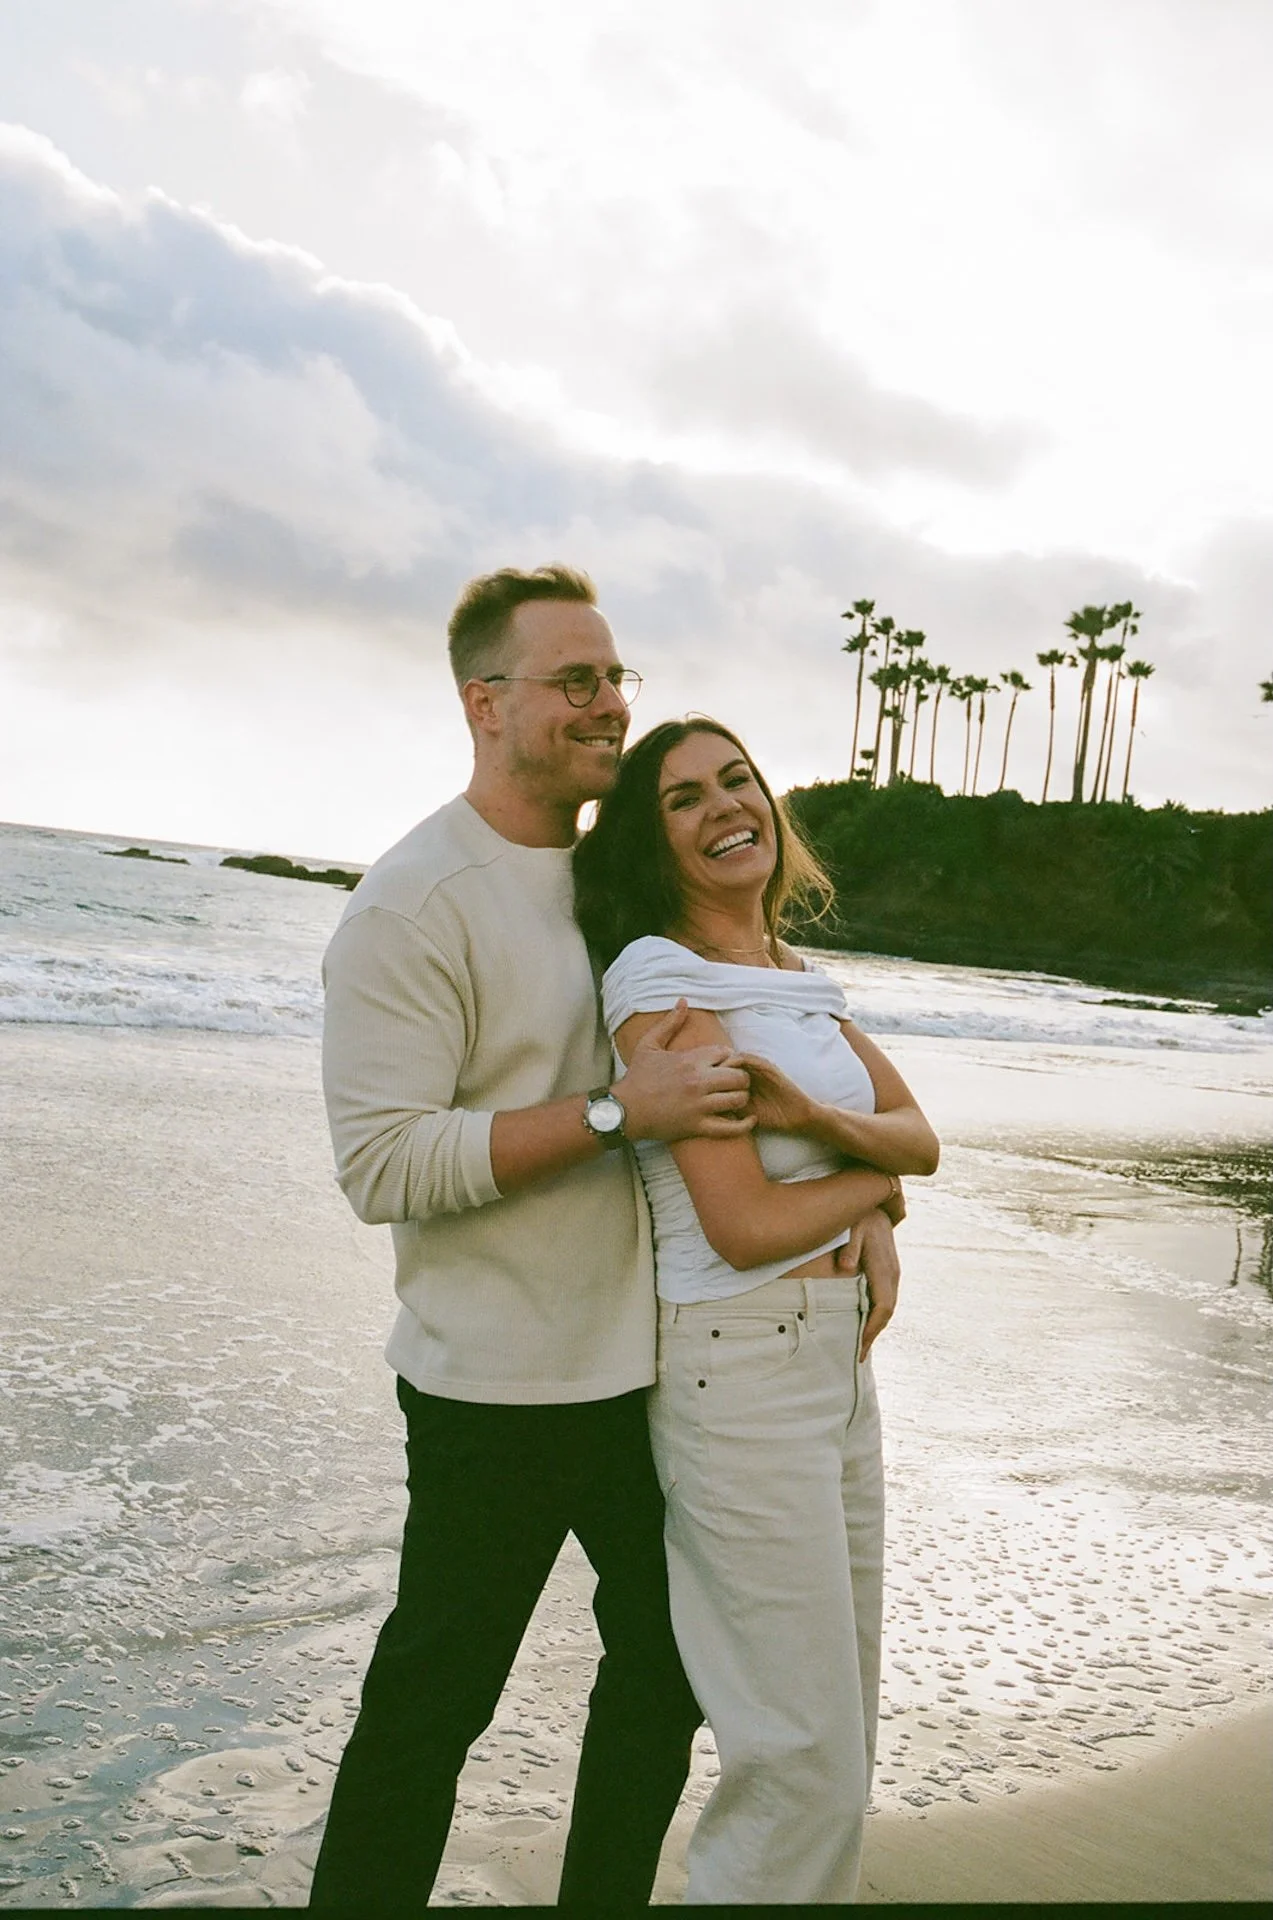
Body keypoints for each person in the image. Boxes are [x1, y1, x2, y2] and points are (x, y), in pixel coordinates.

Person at [309, 566, 762, 1909]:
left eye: (615, 677)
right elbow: (381, 1162)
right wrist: (619, 1110)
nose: (610, 704)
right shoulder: (410, 904)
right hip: (487, 1390)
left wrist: (861, 1210)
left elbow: (746, 1020)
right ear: (484, 702)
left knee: (671, 1666)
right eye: (576, 682)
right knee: (429, 1713)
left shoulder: (623, 871)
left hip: (649, 1375)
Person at [573, 716, 940, 1904]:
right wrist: (868, 1189)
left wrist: (846, 1156)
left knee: (841, 1746)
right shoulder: (660, 981)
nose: (724, 806)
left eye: (738, 781)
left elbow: (917, 1138)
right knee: (800, 1764)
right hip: (738, 1375)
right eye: (683, 798)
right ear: (655, 838)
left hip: (837, 1371)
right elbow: (736, 1228)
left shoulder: (798, 982)